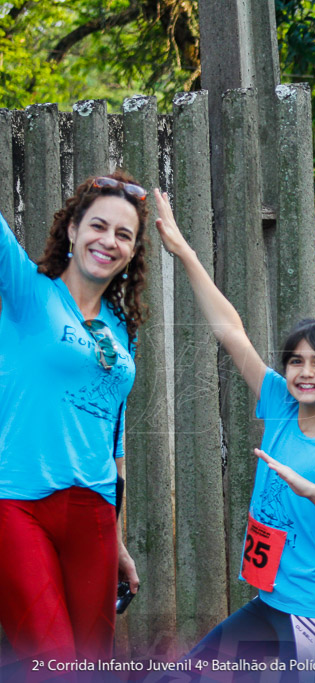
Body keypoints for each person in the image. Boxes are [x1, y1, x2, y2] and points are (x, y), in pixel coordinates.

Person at [152, 192, 315, 666]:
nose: (305, 372)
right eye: (296, 361)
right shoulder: (279, 403)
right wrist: (185, 253)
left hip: (310, 613)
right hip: (269, 601)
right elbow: (231, 331)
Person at [0, 173, 145, 666]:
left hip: (95, 514)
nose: (108, 241)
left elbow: (113, 433)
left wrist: (119, 542)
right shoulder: (26, 293)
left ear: (132, 251)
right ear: (72, 230)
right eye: (98, 226)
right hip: (18, 504)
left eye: (123, 234)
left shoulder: (122, 328)